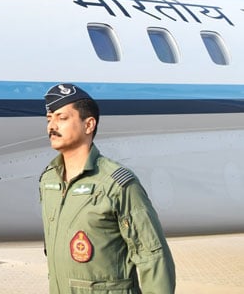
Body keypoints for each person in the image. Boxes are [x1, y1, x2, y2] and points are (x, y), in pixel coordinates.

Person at [39, 83, 176, 293]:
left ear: (89, 125)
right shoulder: (49, 181)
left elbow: (152, 255)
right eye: (49, 119)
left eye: (62, 118)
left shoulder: (117, 183)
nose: (52, 126)